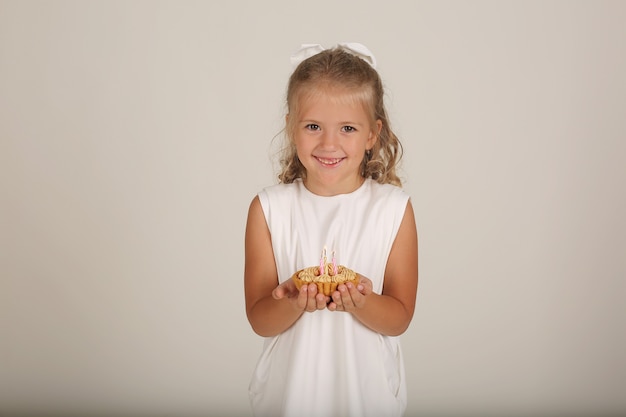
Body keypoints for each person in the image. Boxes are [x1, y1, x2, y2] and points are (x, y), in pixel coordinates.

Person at [244, 43, 418, 417]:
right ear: (292, 126)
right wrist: (292, 300)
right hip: (290, 395)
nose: (329, 143)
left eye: (348, 128)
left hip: (366, 394)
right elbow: (259, 319)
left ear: (372, 134)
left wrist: (361, 302)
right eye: (313, 126)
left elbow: (400, 316)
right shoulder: (269, 209)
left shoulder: (393, 210)